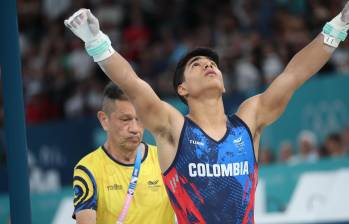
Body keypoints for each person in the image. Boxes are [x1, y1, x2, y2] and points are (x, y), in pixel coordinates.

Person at [65, 3, 349, 223]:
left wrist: (339, 25)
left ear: (224, 84)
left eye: (212, 63)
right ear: (182, 89)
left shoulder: (249, 121)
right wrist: (97, 42)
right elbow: (131, 83)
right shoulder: (173, 128)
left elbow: (294, 74)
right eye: (196, 65)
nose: (208, 66)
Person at [72, 82, 175, 224]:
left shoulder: (164, 158)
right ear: (104, 120)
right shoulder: (88, 168)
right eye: (125, 119)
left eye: (139, 119)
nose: (134, 128)